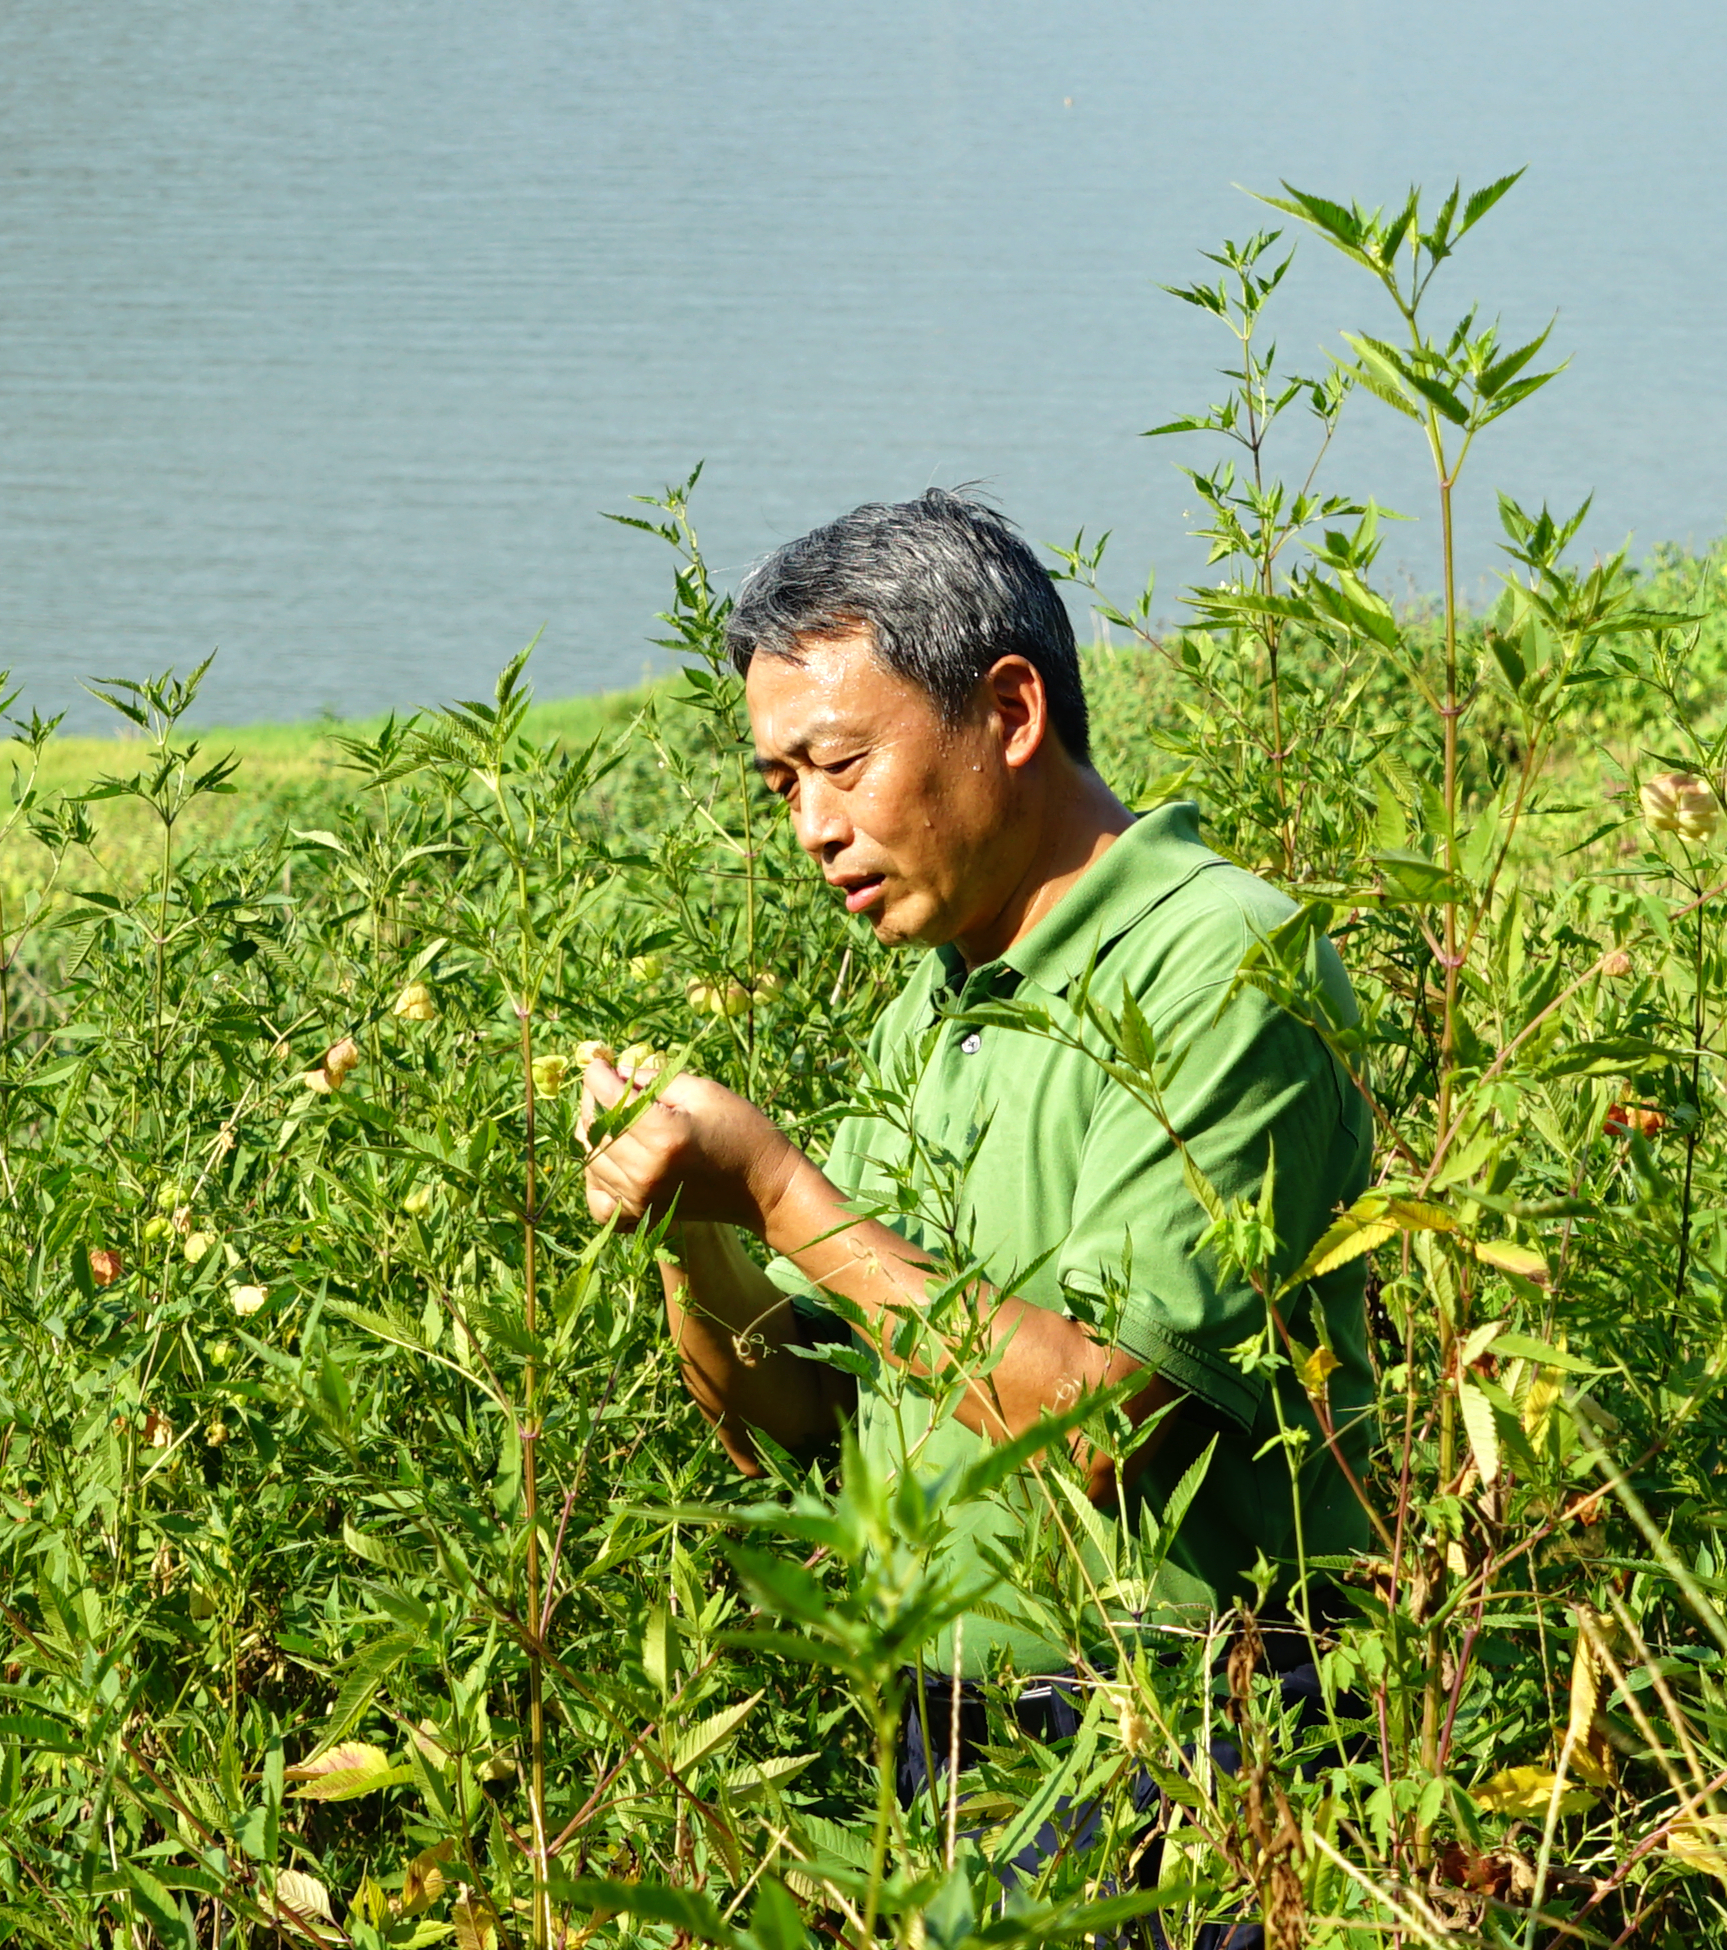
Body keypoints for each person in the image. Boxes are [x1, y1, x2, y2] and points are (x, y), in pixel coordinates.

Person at [572, 489, 1374, 1913]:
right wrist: (694, 1218)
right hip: (955, 1723)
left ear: (1008, 711)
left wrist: (773, 1185)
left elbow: (1102, 1419)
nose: (813, 828)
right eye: (780, 786)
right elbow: (795, 1427)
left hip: (1193, 1727)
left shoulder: (1220, 966)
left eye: (838, 765)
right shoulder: (936, 1002)